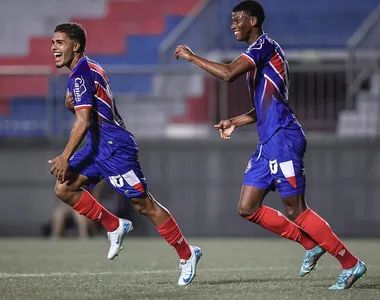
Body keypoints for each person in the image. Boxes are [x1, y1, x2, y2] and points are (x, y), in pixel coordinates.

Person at [174, 0, 366, 290]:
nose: (233, 24)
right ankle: (310, 245)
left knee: (296, 210)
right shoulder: (260, 58)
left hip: (284, 138)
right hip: (269, 141)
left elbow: (227, 74)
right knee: (247, 207)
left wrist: (191, 57)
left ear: (253, 20)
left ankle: (351, 264)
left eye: (238, 19)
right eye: (231, 19)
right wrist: (235, 121)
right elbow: (266, 107)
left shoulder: (264, 47)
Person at [49, 22, 201, 286]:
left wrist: (64, 156)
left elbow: (83, 121)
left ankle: (187, 254)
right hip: (98, 146)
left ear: (76, 46)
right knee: (64, 188)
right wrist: (70, 104)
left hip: (115, 148)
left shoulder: (81, 73)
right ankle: (114, 225)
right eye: (52, 42)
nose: (53, 48)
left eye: (59, 42)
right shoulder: (88, 67)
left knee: (145, 205)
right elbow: (86, 111)